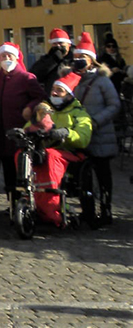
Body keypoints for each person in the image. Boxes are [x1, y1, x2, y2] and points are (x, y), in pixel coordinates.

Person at [22, 72, 93, 227]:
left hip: (70, 152)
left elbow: (83, 137)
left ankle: (52, 206)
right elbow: (29, 126)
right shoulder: (44, 110)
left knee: (51, 156)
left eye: (59, 90)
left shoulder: (79, 113)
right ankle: (27, 195)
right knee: (23, 154)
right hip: (44, 150)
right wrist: (25, 132)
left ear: (69, 94)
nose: (54, 93)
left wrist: (67, 133)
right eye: (53, 89)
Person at [0, 42, 45, 204]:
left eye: (9, 56)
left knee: (23, 169)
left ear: (16, 58)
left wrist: (30, 107)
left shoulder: (27, 78)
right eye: (3, 56)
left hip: (21, 132)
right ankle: (12, 203)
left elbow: (40, 97)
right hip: (2, 132)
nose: (6, 59)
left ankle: (25, 203)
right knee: (8, 170)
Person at [71, 33, 119, 225]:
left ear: (91, 60)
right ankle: (87, 211)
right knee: (83, 176)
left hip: (100, 134)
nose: (78, 61)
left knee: (102, 174)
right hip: (79, 135)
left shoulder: (102, 80)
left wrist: (96, 121)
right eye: (75, 58)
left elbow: (114, 105)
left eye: (82, 58)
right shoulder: (71, 79)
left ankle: (106, 211)